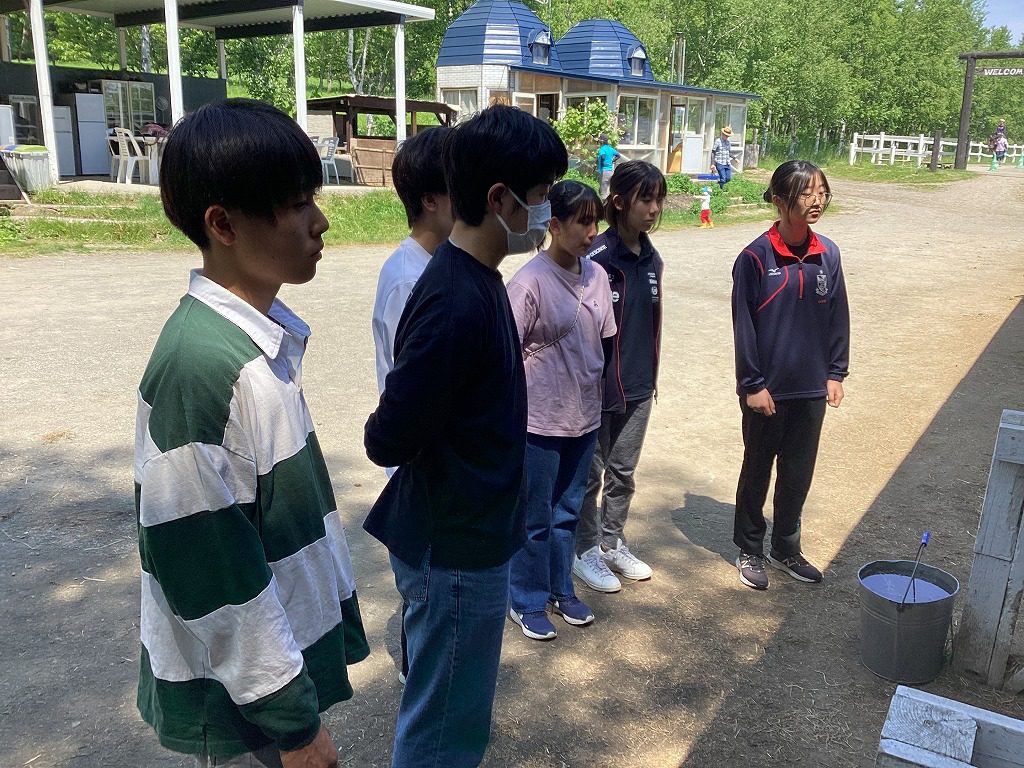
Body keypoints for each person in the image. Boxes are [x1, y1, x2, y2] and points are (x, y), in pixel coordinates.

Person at [134, 99, 369, 768]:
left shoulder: (256, 343)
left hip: (269, 685)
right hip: (245, 709)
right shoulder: (202, 369)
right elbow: (212, 574)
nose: (320, 222)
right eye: (296, 205)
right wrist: (294, 726)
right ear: (223, 224)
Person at [363, 104, 568, 767]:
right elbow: (388, 436)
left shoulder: (478, 280)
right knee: (442, 730)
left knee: (457, 717)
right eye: (541, 194)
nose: (546, 210)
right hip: (452, 548)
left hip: (474, 538)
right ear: (499, 199)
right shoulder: (453, 299)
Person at [731, 159, 850, 591]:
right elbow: (744, 327)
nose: (817, 200)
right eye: (807, 193)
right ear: (780, 200)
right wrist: (752, 385)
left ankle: (785, 547)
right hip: (767, 390)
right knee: (757, 469)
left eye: (822, 192)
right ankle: (749, 547)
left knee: (798, 473)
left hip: (811, 388)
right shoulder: (754, 258)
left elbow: (838, 315)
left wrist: (835, 372)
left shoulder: (828, 253)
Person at [506, 180, 617, 640]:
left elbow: (605, 342)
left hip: (583, 419)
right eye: (582, 222)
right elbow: (505, 353)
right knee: (534, 517)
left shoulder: (598, 276)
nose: (592, 232)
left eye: (596, 222)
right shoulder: (528, 282)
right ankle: (525, 599)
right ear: (553, 224)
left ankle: (559, 589)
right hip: (538, 422)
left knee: (567, 512)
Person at [370, 125, 453, 686]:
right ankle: (417, 675)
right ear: (430, 200)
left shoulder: (437, 266)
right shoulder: (410, 279)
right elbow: (416, 385)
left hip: (433, 454)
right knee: (423, 583)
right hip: (420, 456)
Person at [573, 160, 666, 594]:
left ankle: (611, 543)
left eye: (658, 200)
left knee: (623, 473)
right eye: (645, 199)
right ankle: (583, 549)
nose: (654, 209)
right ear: (619, 202)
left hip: (639, 386)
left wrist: (649, 378)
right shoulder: (596, 258)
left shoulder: (652, 258)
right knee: (590, 475)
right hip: (598, 389)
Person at [596, 133, 622, 199]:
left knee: (603, 191)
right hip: (611, 171)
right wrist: (612, 161)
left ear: (602, 141)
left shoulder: (602, 149)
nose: (598, 142)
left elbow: (603, 156)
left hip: (604, 171)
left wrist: (600, 161)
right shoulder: (610, 149)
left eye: (599, 140)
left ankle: (604, 204)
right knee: (609, 190)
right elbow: (618, 155)